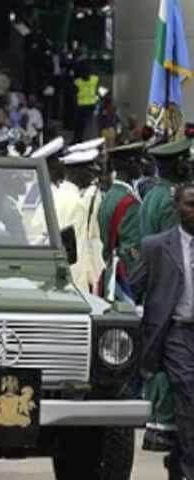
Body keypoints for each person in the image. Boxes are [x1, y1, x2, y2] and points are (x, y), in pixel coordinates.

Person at [130, 182, 194, 480]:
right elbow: (133, 288)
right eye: (189, 204)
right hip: (176, 334)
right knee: (188, 394)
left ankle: (178, 458)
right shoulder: (156, 247)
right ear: (177, 208)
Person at [137, 139, 192, 454]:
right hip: (172, 288)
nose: (187, 164)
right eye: (183, 160)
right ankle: (167, 427)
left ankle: (159, 423)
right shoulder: (171, 201)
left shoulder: (150, 195)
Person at [61, 146, 105, 293]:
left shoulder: (58, 194)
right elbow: (78, 247)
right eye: (88, 171)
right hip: (74, 281)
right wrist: (83, 285)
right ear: (76, 172)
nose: (92, 176)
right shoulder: (76, 203)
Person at [98, 143, 143, 276]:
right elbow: (130, 252)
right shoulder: (130, 202)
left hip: (110, 268)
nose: (141, 166)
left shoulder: (111, 194)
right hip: (125, 277)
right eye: (139, 162)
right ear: (130, 165)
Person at [73, 63, 99, 142]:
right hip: (91, 105)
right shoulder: (95, 79)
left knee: (80, 125)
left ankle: (79, 139)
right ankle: (88, 139)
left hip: (81, 106)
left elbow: (74, 93)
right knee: (89, 125)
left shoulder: (78, 82)